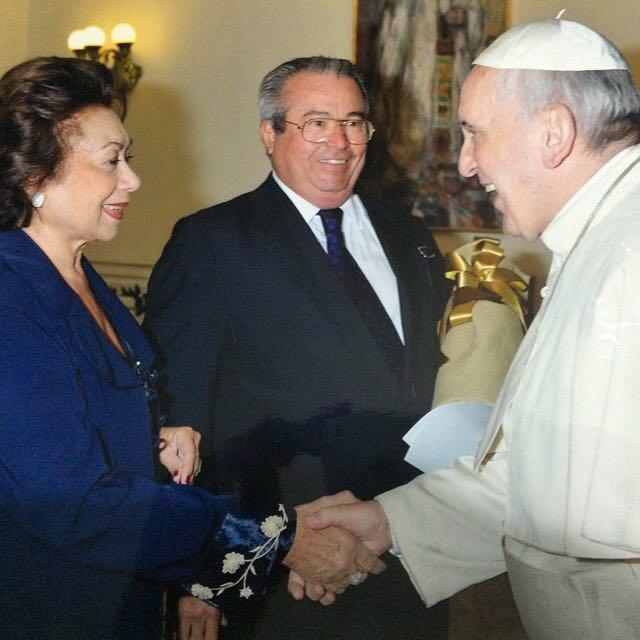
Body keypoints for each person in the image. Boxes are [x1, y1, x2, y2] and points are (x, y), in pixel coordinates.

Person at [0, 56, 382, 640]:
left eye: (128, 159)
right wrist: (276, 537)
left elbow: (61, 430)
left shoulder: (77, 275)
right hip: (46, 605)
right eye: (111, 161)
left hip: (119, 600)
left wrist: (153, 439)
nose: (132, 180)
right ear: (34, 176)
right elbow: (71, 501)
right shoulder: (11, 297)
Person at [302, 16, 640, 640]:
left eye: (475, 133)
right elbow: (542, 475)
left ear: (554, 133)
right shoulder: (597, 240)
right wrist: (392, 520)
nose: (464, 165)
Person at [144, 56, 450, 639]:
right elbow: (179, 415)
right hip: (279, 562)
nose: (339, 141)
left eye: (353, 123)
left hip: (405, 547)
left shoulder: (409, 237)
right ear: (270, 133)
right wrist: (201, 575)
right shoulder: (212, 241)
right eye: (316, 123)